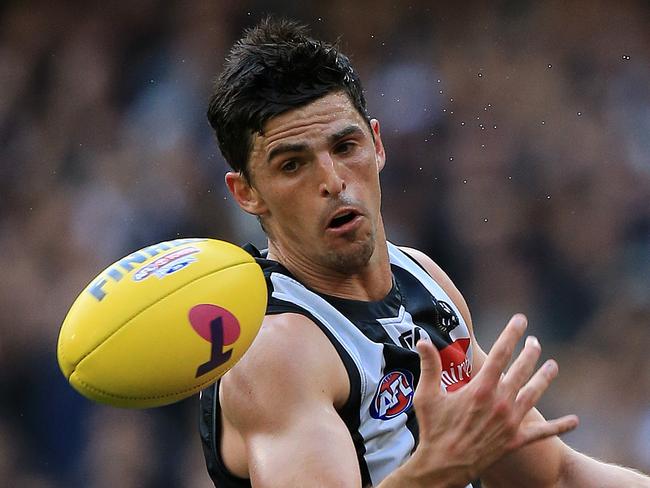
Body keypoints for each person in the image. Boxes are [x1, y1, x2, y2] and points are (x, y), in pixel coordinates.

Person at [198, 17, 650, 488]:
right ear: (246, 193)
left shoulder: (420, 278)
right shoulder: (274, 351)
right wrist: (432, 473)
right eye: (293, 165)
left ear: (376, 144)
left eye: (345, 146)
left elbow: (555, 475)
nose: (332, 181)